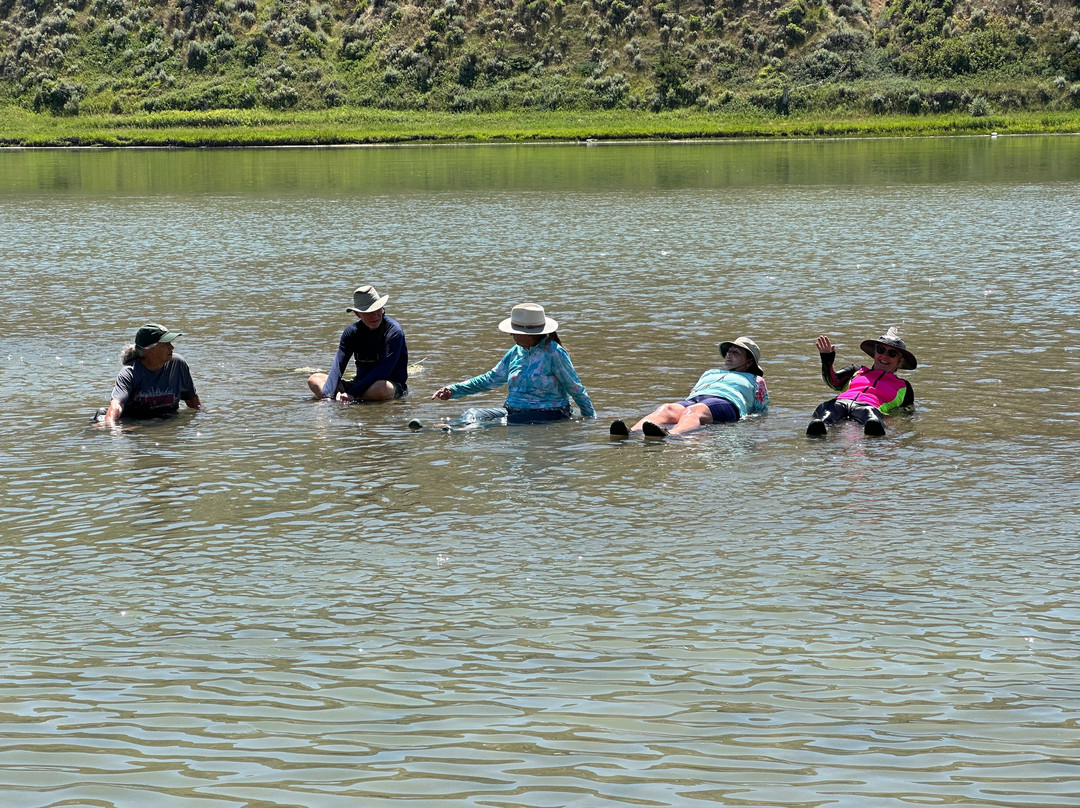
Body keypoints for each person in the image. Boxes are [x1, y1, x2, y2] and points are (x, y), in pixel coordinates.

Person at [426, 303, 594, 426]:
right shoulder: (515, 352)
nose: (512, 335)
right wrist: (454, 390)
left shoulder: (554, 353)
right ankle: (447, 427)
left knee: (498, 423)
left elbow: (575, 388)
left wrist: (590, 419)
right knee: (472, 414)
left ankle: (456, 431)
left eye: (517, 332)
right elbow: (490, 379)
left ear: (533, 334)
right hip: (512, 411)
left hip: (549, 413)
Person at [610, 337, 769, 438]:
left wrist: (750, 420)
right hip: (696, 399)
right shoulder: (710, 372)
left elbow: (761, 409)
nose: (729, 354)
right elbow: (693, 392)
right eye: (728, 351)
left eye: (736, 352)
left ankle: (671, 435)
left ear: (749, 362)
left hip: (728, 402)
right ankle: (631, 432)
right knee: (666, 409)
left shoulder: (755, 380)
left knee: (694, 411)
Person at [806, 327, 915, 437]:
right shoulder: (856, 370)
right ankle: (821, 426)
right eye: (880, 350)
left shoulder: (904, 386)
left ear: (900, 361)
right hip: (840, 403)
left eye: (892, 353)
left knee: (873, 420)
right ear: (875, 352)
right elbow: (833, 382)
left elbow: (907, 413)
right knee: (826, 410)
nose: (884, 356)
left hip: (869, 407)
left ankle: (874, 431)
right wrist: (827, 360)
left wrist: (892, 421)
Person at [307, 285, 408, 402]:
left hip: (388, 385)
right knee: (314, 379)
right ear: (357, 314)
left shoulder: (394, 331)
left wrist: (352, 393)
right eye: (369, 312)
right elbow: (339, 365)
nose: (375, 316)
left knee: (381, 388)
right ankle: (337, 399)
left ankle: (345, 399)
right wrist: (327, 395)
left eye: (378, 310)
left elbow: (384, 370)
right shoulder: (351, 332)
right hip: (359, 383)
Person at [102, 323, 201, 424]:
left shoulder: (178, 364)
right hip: (135, 422)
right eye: (165, 344)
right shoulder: (129, 373)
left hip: (165, 420)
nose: (171, 347)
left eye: (170, 343)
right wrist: (111, 426)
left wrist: (202, 419)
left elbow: (192, 401)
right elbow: (116, 405)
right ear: (149, 350)